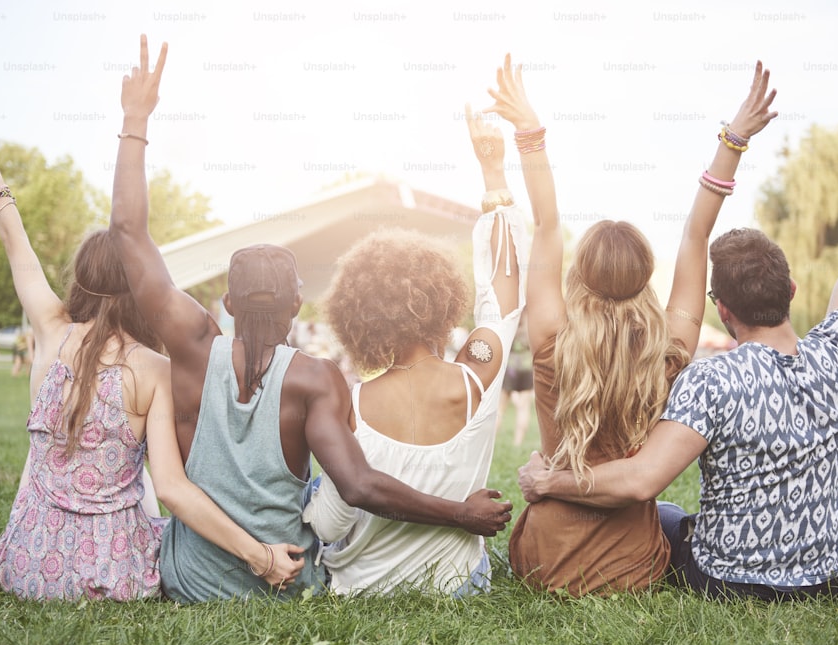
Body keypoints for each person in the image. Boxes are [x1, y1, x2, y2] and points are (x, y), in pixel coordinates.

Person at [107, 35, 512, 604]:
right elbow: (359, 485)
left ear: (227, 301)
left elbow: (127, 232)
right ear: (298, 306)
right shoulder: (315, 378)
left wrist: (135, 122)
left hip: (191, 579)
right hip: (282, 579)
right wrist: (459, 514)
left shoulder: (194, 342)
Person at [519, 110, 838, 600]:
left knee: (670, 517)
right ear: (791, 289)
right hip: (823, 576)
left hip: (705, 575)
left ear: (723, 308)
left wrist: (549, 480)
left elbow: (547, 226)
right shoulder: (836, 351)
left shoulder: (707, 380)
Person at [0, 103, 291, 601]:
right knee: (142, 479)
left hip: (33, 563)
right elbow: (174, 490)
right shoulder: (154, 369)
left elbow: (14, 241)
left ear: (82, 280)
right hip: (113, 573)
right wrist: (261, 558)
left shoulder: (51, 330)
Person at [485, 55, 777, 597]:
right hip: (632, 568)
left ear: (578, 275)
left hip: (542, 561)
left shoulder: (551, 339)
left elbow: (546, 223)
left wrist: (529, 134)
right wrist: (733, 139)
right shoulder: (668, 349)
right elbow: (695, 235)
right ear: (646, 278)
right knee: (668, 510)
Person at [301, 107, 527, 596]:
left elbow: (330, 526)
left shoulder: (352, 405)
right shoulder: (476, 378)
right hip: (456, 585)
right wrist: (493, 173)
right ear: (443, 300)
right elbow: (504, 293)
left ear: (357, 317)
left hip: (361, 587)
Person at [496, 322, 534, 448]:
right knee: (523, 408)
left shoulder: (510, 322)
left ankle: (492, 441)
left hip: (510, 368)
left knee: (500, 407)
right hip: (526, 367)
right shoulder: (530, 323)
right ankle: (517, 443)